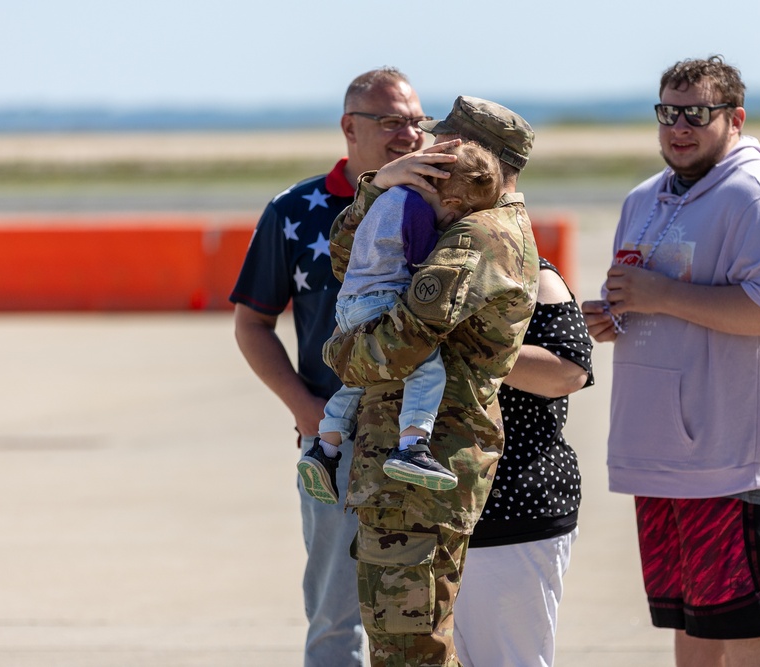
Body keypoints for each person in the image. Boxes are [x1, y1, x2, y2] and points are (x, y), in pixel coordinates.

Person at [581, 55, 760, 667]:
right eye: (669, 113)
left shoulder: (757, 198)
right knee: (692, 619)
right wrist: (617, 317)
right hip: (660, 455)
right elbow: (653, 299)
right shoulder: (644, 198)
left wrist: (660, 295)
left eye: (697, 114)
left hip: (733, 460)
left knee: (744, 618)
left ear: (734, 119)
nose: (680, 127)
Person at [323, 96, 540, 666]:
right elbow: (350, 262)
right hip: (405, 472)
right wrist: (379, 189)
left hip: (424, 468)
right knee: (404, 644)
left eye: (444, 143)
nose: (426, 148)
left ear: (478, 157)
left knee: (410, 651)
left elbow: (395, 347)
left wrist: (337, 354)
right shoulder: (453, 217)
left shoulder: (477, 237)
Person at [230, 67, 429, 667]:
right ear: (350, 127)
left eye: (418, 121)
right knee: (334, 619)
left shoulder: (438, 205)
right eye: (391, 121)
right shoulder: (297, 211)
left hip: (425, 444)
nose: (409, 135)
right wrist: (307, 412)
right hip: (336, 445)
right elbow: (251, 325)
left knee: (425, 613)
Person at [298, 141, 503, 504]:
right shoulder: (419, 210)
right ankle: (412, 446)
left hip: (348, 304)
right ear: (453, 203)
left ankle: (324, 449)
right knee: (426, 369)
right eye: (460, 217)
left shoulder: (388, 198)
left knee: (361, 379)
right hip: (379, 302)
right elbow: (421, 259)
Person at [454, 257, 594, 667]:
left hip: (508, 512)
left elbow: (568, 372)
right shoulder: (412, 263)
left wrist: (466, 345)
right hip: (427, 512)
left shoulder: (532, 274)